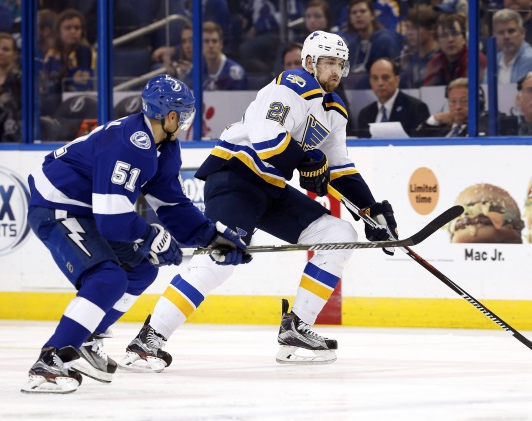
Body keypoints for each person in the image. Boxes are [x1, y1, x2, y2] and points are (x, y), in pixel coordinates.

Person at [119, 31, 398, 370]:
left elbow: (338, 166)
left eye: (340, 63)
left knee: (338, 235)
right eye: (328, 62)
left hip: (271, 188)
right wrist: (309, 162)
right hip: (235, 176)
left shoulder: (334, 110)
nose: (335, 70)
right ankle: (148, 340)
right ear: (310, 62)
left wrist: (371, 211)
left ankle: (296, 329)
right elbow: (268, 138)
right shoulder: (289, 86)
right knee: (221, 256)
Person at [20, 74, 251, 394]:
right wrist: (151, 235)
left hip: (86, 210)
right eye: (184, 113)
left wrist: (213, 238)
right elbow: (112, 220)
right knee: (107, 278)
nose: (185, 120)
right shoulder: (130, 144)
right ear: (170, 116)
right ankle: (50, 360)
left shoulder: (163, 147)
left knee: (141, 268)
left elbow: (172, 205)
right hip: (56, 207)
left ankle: (88, 337)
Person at [414, 77, 518, 137]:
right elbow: (413, 143)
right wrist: (435, 119)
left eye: (464, 101)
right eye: (453, 102)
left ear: (479, 102)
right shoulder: (442, 128)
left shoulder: (484, 126)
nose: (457, 107)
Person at [40, 8, 96, 116]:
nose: (73, 31)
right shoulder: (52, 54)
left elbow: (80, 86)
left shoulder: (84, 51)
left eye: (77, 28)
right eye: (68, 28)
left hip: (78, 105)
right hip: (54, 103)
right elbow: (46, 83)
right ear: (58, 31)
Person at [357, 57, 430, 138]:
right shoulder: (365, 114)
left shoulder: (416, 108)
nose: (380, 83)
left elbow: (419, 145)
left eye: (385, 78)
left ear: (397, 80)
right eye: (375, 78)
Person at [337, 0, 402, 75]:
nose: (358, 15)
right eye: (354, 13)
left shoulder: (385, 40)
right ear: (350, 19)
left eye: (363, 11)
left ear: (372, 15)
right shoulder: (352, 46)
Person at [423, 13, 487, 86]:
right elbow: (428, 91)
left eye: (455, 34)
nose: (450, 39)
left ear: (464, 38)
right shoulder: (435, 62)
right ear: (438, 42)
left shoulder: (475, 59)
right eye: (444, 35)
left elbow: (465, 91)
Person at [490, 8, 532, 84]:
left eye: (511, 31)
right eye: (501, 32)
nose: (506, 36)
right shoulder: (494, 60)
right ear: (494, 36)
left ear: (522, 33)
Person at [400, 5, 440, 89]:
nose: (410, 33)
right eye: (408, 28)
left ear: (431, 29)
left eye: (415, 28)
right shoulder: (407, 60)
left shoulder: (441, 58)